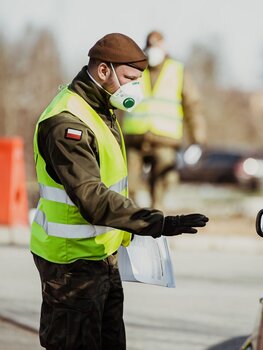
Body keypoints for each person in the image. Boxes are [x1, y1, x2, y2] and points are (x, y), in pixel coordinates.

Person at [30, 32, 209, 350]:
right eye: (129, 78)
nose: (135, 88)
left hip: (100, 258)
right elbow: (93, 199)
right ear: (103, 71)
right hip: (71, 266)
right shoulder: (67, 124)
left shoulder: (101, 110)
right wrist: (157, 223)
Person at [122, 30, 206, 209]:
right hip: (134, 138)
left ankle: (156, 220)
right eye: (150, 45)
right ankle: (131, 222)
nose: (153, 50)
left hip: (165, 140)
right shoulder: (136, 69)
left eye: (157, 45)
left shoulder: (177, 71)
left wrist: (196, 141)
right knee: (126, 184)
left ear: (164, 47)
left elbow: (193, 107)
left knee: (162, 181)